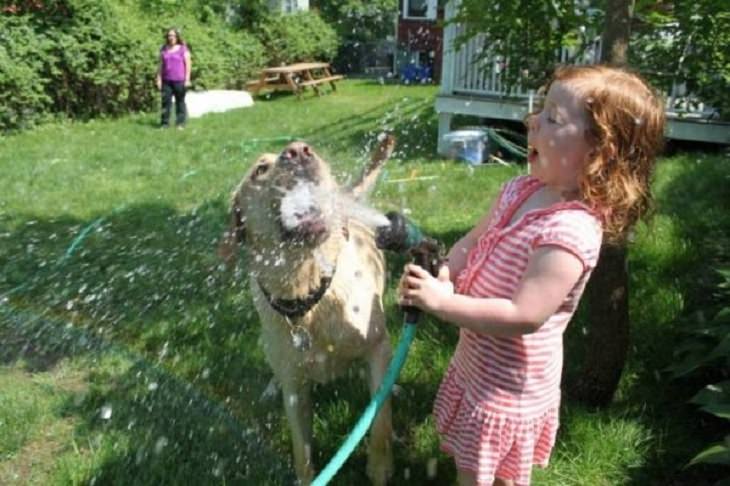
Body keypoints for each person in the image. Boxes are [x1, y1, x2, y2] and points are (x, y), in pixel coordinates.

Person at [398, 65, 665, 486]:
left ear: (598, 155)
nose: (531, 121)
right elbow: (471, 241)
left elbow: (525, 315)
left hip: (508, 391)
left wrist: (442, 303)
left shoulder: (570, 230)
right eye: (541, 109)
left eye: (553, 118)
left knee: (487, 477)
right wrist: (448, 274)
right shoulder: (519, 189)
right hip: (476, 365)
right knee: (474, 468)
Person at [155, 28, 191, 129]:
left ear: (177, 37)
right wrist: (158, 78)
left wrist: (187, 79)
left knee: (180, 101)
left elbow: (188, 64)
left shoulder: (183, 48)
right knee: (165, 102)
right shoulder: (163, 49)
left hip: (180, 80)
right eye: (169, 36)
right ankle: (164, 124)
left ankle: (180, 123)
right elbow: (160, 65)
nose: (171, 38)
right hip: (166, 81)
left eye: (173, 35)